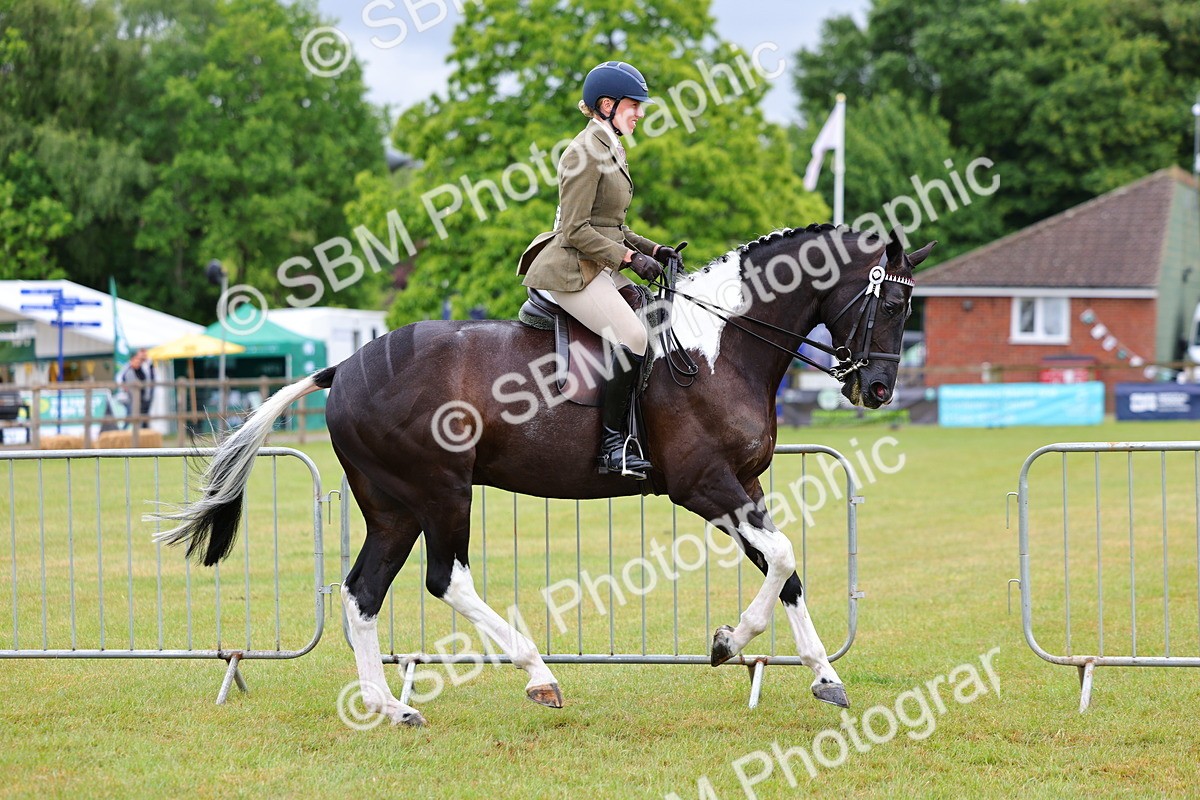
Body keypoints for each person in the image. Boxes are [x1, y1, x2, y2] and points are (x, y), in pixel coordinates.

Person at [517, 61, 678, 480]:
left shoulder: (610, 146)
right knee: (633, 334)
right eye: (633, 105)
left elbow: (615, 226)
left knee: (653, 313)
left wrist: (652, 250)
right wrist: (627, 259)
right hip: (572, 268)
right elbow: (575, 230)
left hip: (594, 262)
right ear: (607, 105)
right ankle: (613, 449)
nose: (639, 113)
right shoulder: (583, 152)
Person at [116, 348, 155, 428]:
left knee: (142, 417)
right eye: (141, 355)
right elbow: (120, 379)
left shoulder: (146, 366)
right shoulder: (129, 369)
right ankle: (126, 432)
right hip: (131, 398)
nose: (143, 357)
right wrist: (125, 388)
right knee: (131, 416)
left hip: (143, 397)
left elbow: (149, 379)